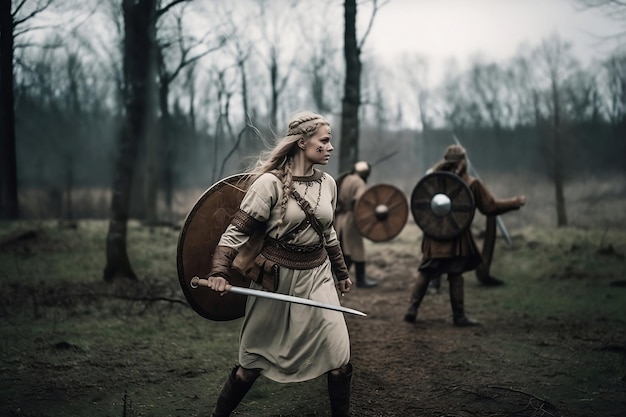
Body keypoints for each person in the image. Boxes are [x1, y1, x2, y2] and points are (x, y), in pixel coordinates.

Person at [205, 111, 354, 417]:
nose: (330, 147)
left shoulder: (328, 183)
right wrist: (219, 271)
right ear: (302, 142)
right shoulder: (268, 185)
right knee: (250, 365)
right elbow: (235, 232)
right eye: (324, 141)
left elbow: (328, 232)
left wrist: (340, 272)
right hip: (276, 279)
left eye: (330, 141)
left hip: (318, 276)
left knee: (339, 360)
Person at [403, 144, 526, 326]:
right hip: (455, 237)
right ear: (463, 161)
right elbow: (490, 207)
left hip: (435, 236)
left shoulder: (433, 180)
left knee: (426, 270)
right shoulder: (471, 183)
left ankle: (412, 309)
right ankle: (458, 316)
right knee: (455, 273)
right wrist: (515, 202)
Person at [334, 161, 379, 288]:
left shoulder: (346, 178)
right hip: (352, 219)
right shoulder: (359, 182)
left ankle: (341, 278)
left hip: (341, 218)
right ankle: (359, 280)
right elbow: (360, 201)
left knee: (345, 249)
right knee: (356, 250)